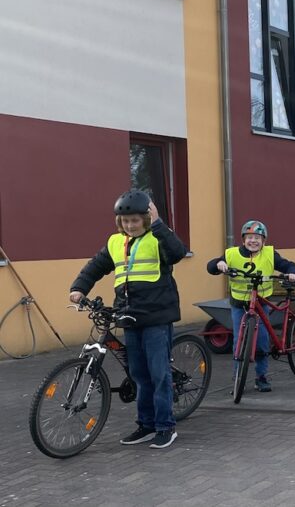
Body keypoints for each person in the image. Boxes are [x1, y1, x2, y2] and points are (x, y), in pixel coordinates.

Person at [69, 190, 187, 449]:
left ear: (146, 218)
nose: (130, 225)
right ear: (119, 221)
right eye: (126, 221)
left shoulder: (158, 237)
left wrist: (159, 224)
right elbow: (96, 266)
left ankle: (165, 427)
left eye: (135, 220)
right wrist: (79, 288)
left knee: (159, 375)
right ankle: (146, 425)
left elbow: (178, 253)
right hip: (129, 316)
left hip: (156, 317)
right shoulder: (115, 242)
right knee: (139, 375)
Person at [207, 220, 295, 392]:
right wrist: (219, 264)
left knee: (262, 341)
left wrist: (293, 273)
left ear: (263, 241)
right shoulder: (231, 254)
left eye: (257, 238)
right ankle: (237, 378)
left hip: (261, 304)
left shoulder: (270, 254)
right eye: (249, 237)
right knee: (239, 340)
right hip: (239, 304)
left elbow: (288, 265)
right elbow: (211, 267)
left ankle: (261, 377)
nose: (253, 241)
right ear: (243, 240)